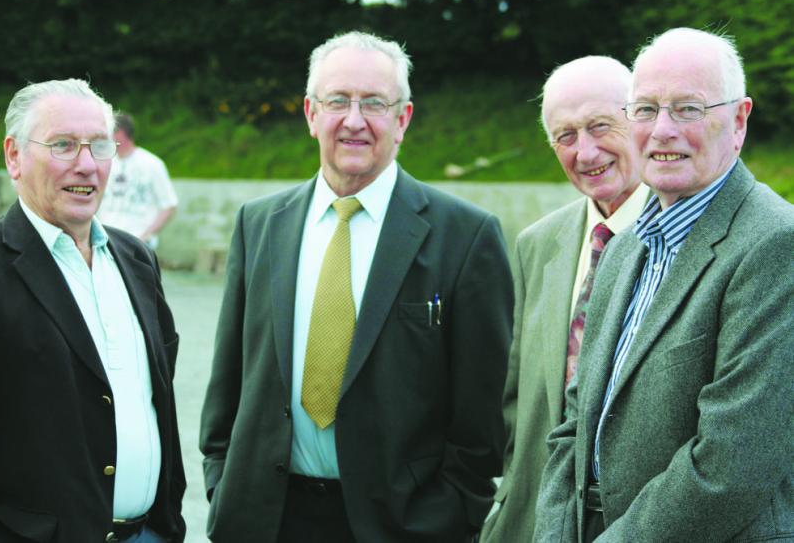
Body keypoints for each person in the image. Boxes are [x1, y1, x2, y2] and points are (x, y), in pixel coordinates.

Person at [199, 31, 514, 543]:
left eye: (374, 103)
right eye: (337, 101)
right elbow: (229, 381)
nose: (354, 120)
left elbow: (482, 414)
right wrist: (221, 478)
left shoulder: (466, 236)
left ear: (403, 119)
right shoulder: (259, 225)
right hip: (265, 520)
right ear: (310, 114)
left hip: (401, 525)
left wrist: (449, 515)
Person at [534, 27, 794, 542]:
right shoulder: (625, 247)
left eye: (689, 109)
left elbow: (730, 468)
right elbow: (571, 427)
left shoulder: (775, 245)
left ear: (739, 120)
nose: (662, 131)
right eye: (646, 109)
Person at [0, 79, 186, 542]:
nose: (86, 165)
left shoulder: (136, 259)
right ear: (14, 156)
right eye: (63, 145)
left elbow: (157, 400)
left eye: (99, 147)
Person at [481, 56, 648, 543]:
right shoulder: (538, 243)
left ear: (639, 119)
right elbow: (518, 400)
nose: (586, 151)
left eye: (601, 126)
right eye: (566, 136)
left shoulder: (684, 239)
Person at [98, 112, 178, 249]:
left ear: (121, 133)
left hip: (137, 243)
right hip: (105, 241)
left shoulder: (152, 164)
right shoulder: (105, 162)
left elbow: (169, 205)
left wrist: (146, 236)